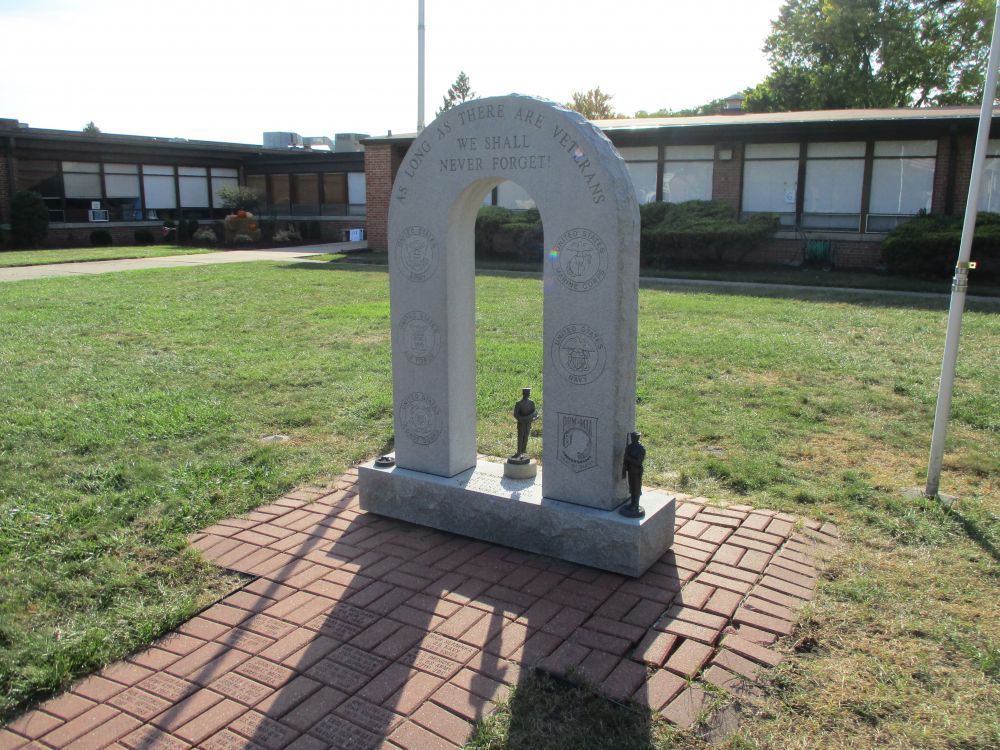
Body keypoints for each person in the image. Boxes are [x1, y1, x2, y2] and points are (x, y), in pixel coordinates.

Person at [620, 431, 646, 518]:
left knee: (637, 488)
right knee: (631, 487)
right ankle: (632, 503)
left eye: (634, 438)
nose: (633, 439)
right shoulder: (630, 447)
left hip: (637, 471)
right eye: (632, 438)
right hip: (631, 470)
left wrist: (629, 458)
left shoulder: (641, 449)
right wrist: (625, 466)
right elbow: (626, 459)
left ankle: (636, 504)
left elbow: (639, 462)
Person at [512, 388, 538, 459]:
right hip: (521, 423)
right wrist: (522, 420)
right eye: (526, 394)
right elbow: (515, 414)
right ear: (523, 394)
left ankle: (523, 452)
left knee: (526, 437)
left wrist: (534, 418)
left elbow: (534, 413)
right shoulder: (519, 403)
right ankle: (518, 452)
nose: (527, 395)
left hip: (528, 423)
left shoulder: (532, 403)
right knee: (520, 437)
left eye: (528, 394)